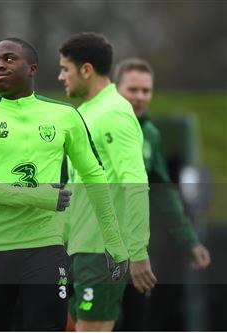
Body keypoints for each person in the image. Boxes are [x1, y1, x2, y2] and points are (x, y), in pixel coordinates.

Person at [0, 37, 129, 331]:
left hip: (44, 250)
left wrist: (113, 240)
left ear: (32, 68)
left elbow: (94, 175)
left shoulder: (64, 116)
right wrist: (38, 196)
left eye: (9, 58)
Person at [58, 32, 155, 331]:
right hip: (79, 248)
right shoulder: (84, 112)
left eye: (65, 69)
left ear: (86, 70)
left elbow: (135, 184)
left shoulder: (114, 112)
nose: (61, 76)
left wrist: (137, 252)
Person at [113, 57, 211, 330]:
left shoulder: (151, 136)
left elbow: (164, 193)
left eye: (146, 90)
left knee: (136, 320)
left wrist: (190, 241)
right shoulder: (94, 125)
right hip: (92, 249)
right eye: (133, 89)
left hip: (136, 250)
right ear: (115, 88)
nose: (140, 97)